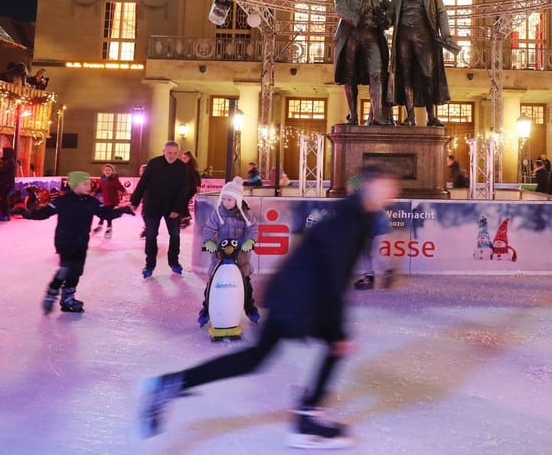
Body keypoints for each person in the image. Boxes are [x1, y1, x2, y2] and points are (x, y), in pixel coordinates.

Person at [134, 165, 401, 448]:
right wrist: (337, 331)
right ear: (370, 188)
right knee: (333, 346)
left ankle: (170, 384)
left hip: (294, 294)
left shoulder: (356, 216)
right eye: (387, 186)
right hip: (301, 299)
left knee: (256, 358)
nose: (393, 192)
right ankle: (308, 416)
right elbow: (332, 277)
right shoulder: (349, 222)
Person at [14, 171, 134, 314]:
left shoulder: (91, 201)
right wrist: (25, 212)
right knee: (65, 268)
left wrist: (123, 210)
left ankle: (68, 298)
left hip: (81, 242)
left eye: (90, 184)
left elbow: (106, 213)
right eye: (85, 184)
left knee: (76, 270)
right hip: (64, 241)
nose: (89, 186)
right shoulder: (63, 201)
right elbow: (43, 213)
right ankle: (52, 293)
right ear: (75, 185)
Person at [388, 0, 454, 127]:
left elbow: (441, 12)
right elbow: (392, 14)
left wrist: (446, 35)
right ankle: (410, 116)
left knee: (428, 75)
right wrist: (381, 19)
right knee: (406, 75)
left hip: (425, 37)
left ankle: (430, 116)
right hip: (403, 36)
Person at [333, 0, 393, 125]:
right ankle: (353, 115)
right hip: (350, 34)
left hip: (372, 36)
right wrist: (358, 20)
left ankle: (377, 115)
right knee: (349, 76)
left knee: (377, 73)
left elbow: (390, 10)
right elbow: (340, 8)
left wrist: (387, 20)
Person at [197, 177, 260, 328]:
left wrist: (249, 241)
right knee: (212, 284)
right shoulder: (217, 214)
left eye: (230, 199)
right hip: (220, 257)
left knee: (245, 285)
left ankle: (250, 308)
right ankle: (206, 309)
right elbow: (209, 229)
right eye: (224, 199)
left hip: (240, 257)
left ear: (237, 200)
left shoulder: (245, 214)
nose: (226, 202)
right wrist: (210, 242)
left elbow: (253, 229)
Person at [130, 141, 189, 278]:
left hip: (172, 207)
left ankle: (174, 262)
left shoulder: (181, 167)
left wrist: (177, 209)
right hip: (152, 206)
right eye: (169, 152)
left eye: (175, 153)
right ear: (164, 151)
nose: (172, 156)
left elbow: (182, 190)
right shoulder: (154, 163)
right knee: (151, 235)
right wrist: (134, 201)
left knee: (174, 235)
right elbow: (143, 183)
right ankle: (149, 265)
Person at [93, 163, 126, 237]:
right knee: (104, 212)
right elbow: (100, 188)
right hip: (105, 200)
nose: (107, 171)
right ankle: (101, 226)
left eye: (109, 170)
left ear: (112, 171)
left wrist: (124, 191)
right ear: (103, 171)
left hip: (113, 200)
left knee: (108, 214)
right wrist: (94, 192)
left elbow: (119, 186)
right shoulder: (102, 179)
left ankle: (107, 227)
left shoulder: (114, 179)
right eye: (106, 170)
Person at [0, 147, 18, 221]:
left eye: (3, 152)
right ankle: (4, 214)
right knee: (3, 199)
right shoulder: (8, 161)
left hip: (6, 183)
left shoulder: (10, 162)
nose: (2, 153)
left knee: (4, 199)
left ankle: (6, 214)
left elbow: (2, 171)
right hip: (5, 182)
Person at [180, 151, 202, 229]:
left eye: (185, 158)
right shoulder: (182, 166)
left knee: (183, 201)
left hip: (191, 188)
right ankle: (185, 217)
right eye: (182, 158)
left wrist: (198, 186)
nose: (183, 159)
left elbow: (198, 177)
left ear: (189, 158)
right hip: (185, 188)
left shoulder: (191, 167)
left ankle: (186, 217)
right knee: (182, 202)